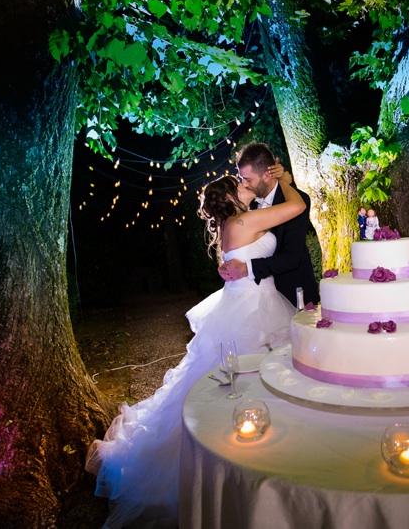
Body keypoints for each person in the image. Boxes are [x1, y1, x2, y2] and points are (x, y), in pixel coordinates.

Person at [84, 168, 304, 528]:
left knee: (230, 379)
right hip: (252, 309)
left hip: (247, 302)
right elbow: (295, 207)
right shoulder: (244, 220)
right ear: (233, 197)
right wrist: (287, 183)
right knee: (247, 378)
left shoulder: (232, 224)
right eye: (242, 184)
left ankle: (246, 445)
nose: (247, 185)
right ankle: (237, 456)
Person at [219, 142, 320, 305]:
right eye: (241, 179)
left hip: (292, 293)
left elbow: (292, 257)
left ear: (267, 175)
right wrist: (228, 263)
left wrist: (248, 268)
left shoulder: (298, 200)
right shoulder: (246, 203)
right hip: (256, 298)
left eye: (248, 179)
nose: (243, 184)